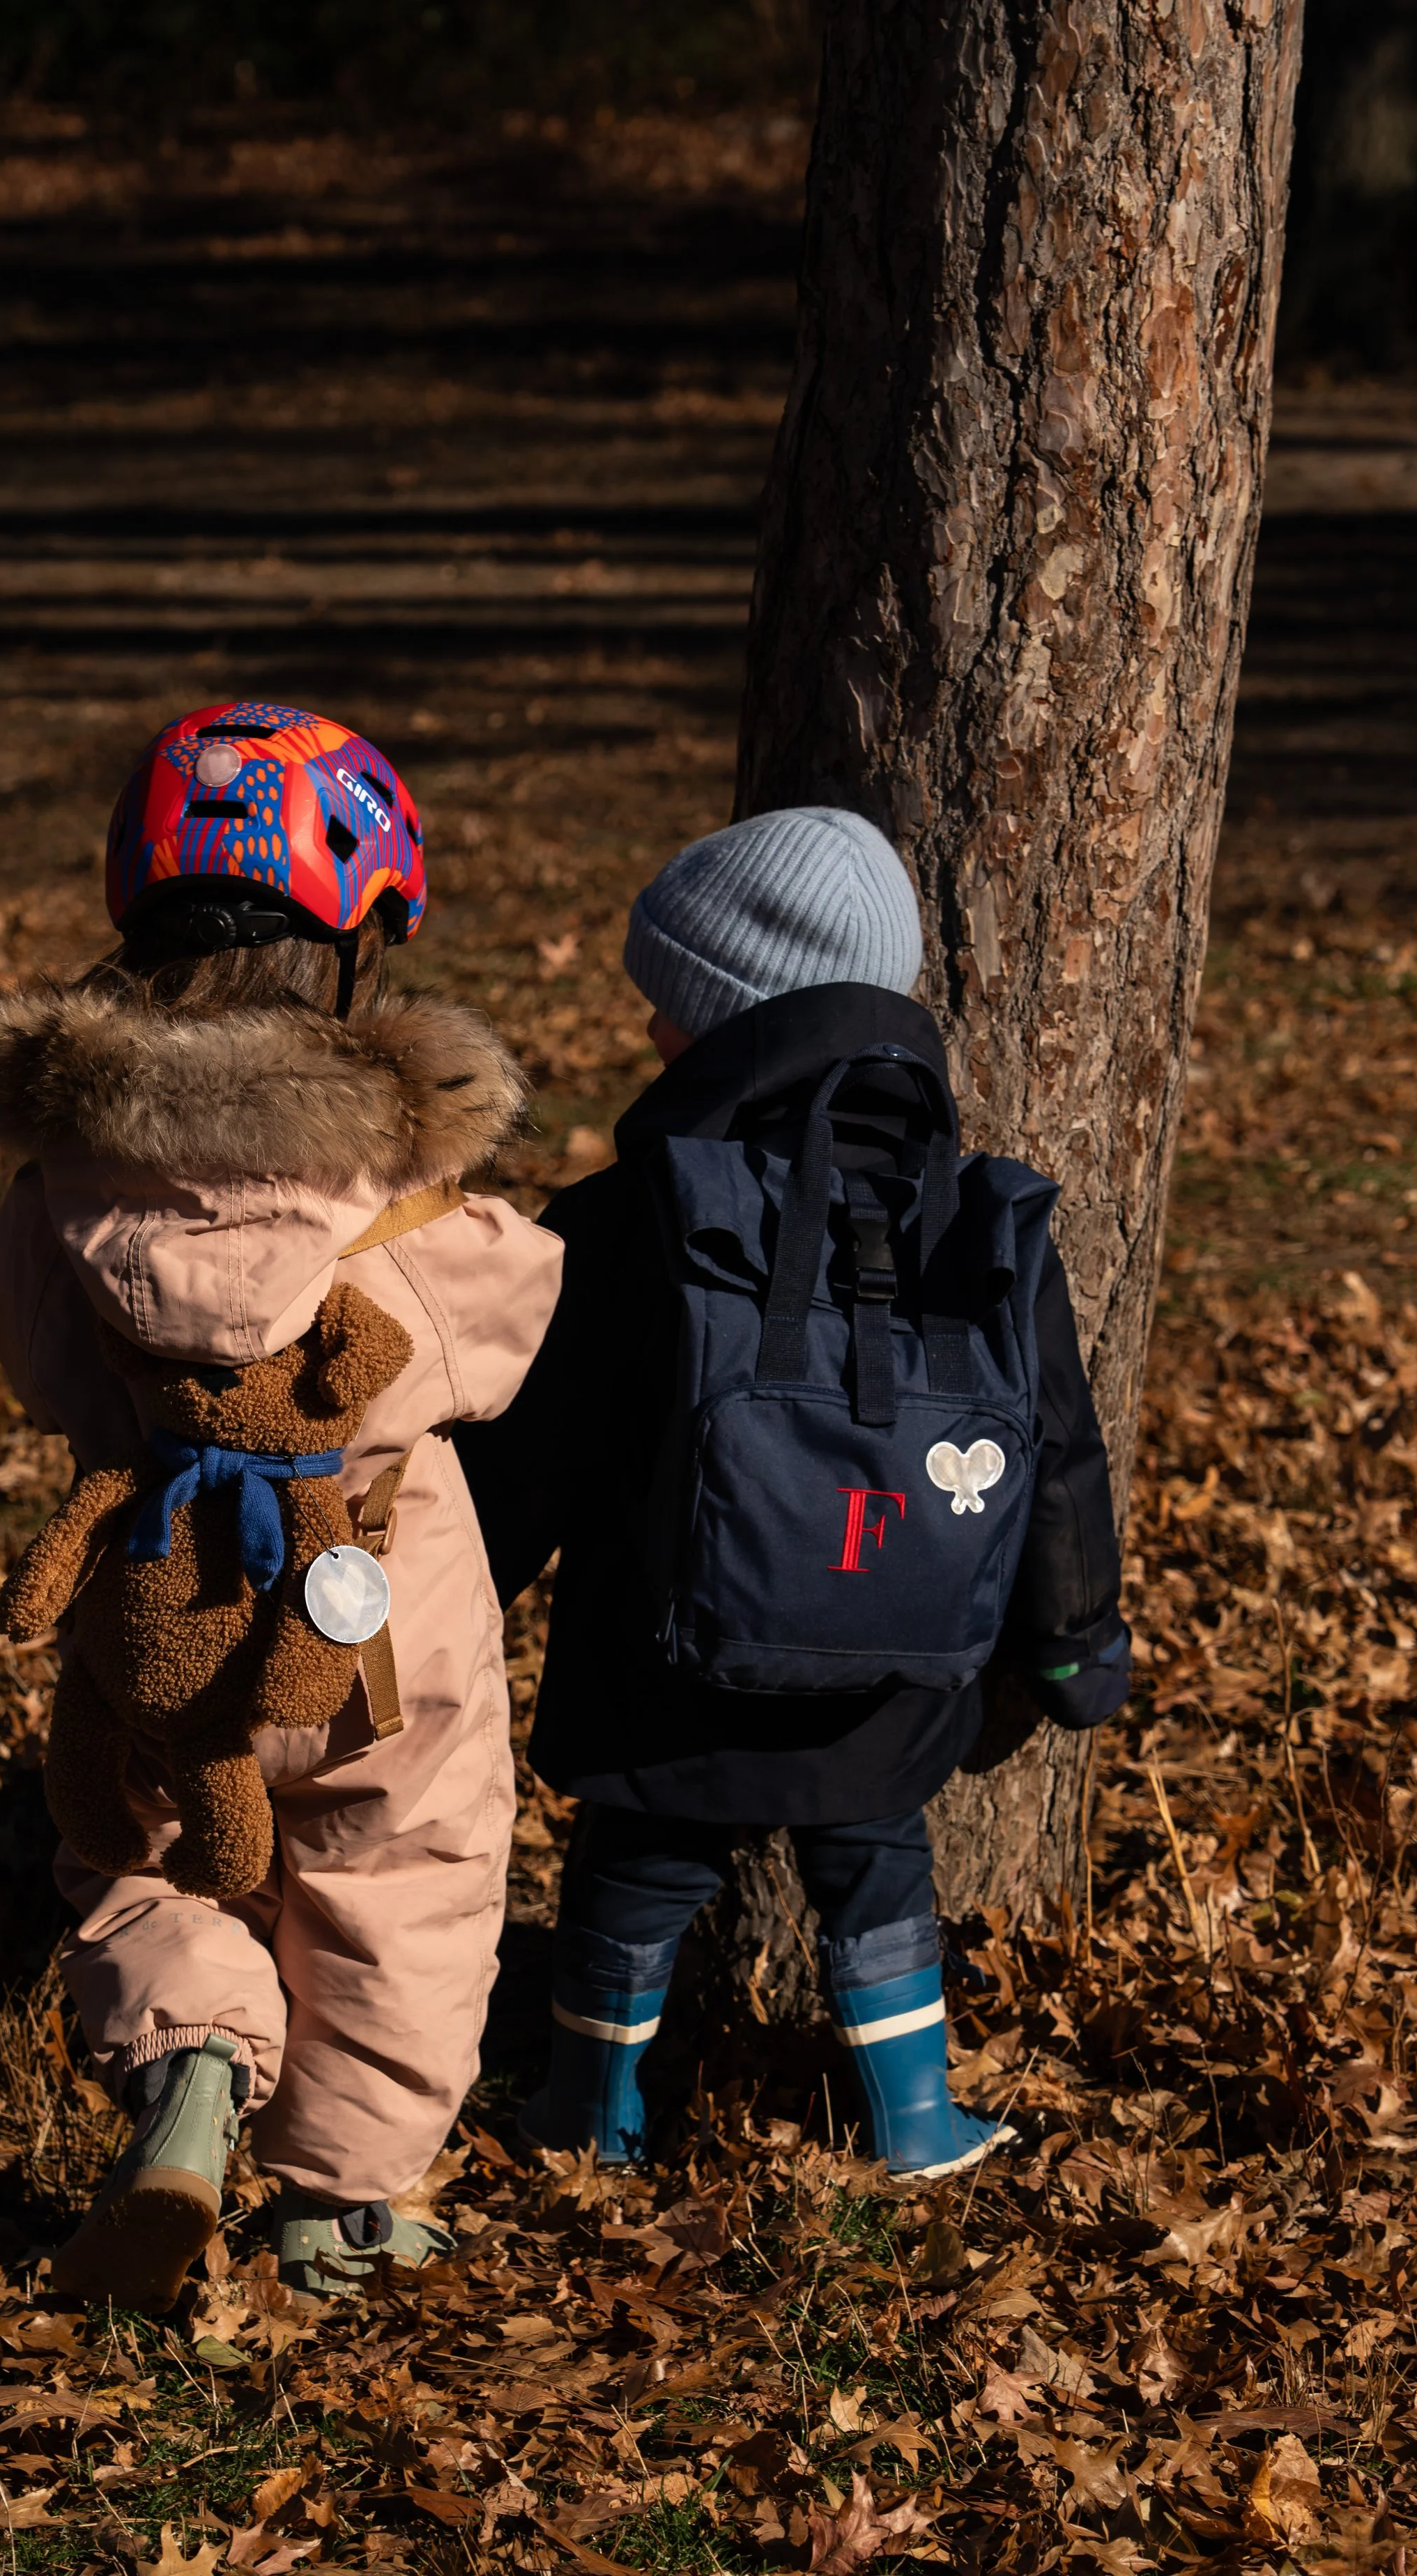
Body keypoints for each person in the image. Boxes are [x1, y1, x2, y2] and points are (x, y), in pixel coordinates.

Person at [0, 702, 562, 2306]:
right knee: (403, 1869)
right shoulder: (400, 1187)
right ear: (361, 940)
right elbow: (498, 1327)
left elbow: (22, 1324)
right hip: (371, 1597)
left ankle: (196, 2071)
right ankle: (342, 2197)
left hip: (156, 1577)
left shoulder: (69, 1177)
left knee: (139, 1843)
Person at [457, 807, 1128, 2181]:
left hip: (665, 1661)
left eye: (665, 1004)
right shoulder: (979, 1219)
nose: (646, 1030)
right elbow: (1053, 1451)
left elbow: (528, 1450)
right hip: (892, 1667)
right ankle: (916, 2119)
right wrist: (1072, 1639)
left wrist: (442, 1590)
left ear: (723, 1018)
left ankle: (588, 2115)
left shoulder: (636, 1212)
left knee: (637, 1863)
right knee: (877, 1860)